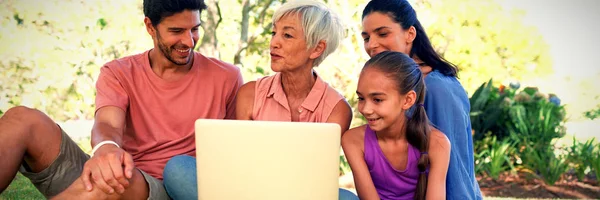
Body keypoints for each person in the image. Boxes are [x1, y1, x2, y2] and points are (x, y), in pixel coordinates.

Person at [0, 0, 243, 199]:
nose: (189, 41)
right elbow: (108, 123)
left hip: (164, 188)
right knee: (21, 119)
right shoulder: (119, 72)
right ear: (150, 26)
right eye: (176, 31)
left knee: (115, 179)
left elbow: (234, 147)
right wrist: (106, 148)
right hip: (119, 172)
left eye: (194, 29)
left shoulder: (227, 77)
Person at [161, 0, 355, 199]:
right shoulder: (250, 94)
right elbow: (239, 164)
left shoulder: (337, 110)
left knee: (347, 198)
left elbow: (317, 180)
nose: (274, 42)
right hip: (248, 190)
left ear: (316, 48)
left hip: (301, 194)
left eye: (287, 35)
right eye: (274, 33)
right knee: (178, 168)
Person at [360, 0, 482, 199]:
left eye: (382, 34)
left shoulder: (437, 87)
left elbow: (455, 167)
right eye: (366, 37)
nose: (371, 45)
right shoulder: (388, 87)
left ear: (410, 34)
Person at [341, 51, 451, 200]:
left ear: (407, 100)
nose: (365, 109)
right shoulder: (353, 141)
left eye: (377, 99)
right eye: (361, 98)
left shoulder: (438, 143)